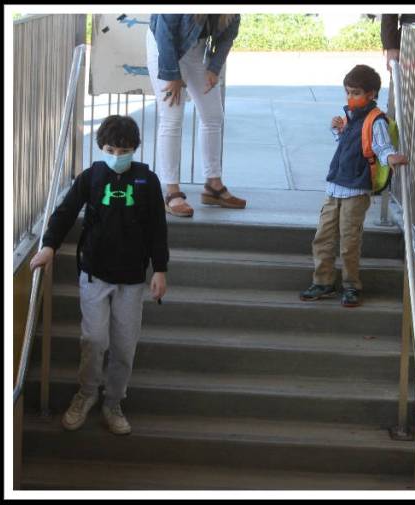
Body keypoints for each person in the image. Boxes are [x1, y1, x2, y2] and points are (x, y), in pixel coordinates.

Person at [29, 115, 169, 435]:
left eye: (123, 149)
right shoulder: (91, 177)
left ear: (134, 149)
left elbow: (157, 231)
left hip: (133, 280)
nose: (117, 154)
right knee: (94, 339)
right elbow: (64, 213)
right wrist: (49, 246)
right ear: (101, 148)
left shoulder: (147, 181)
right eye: (110, 148)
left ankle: (113, 402)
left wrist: (159, 269)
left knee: (123, 346)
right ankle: (87, 393)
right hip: (95, 275)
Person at [300, 65, 409, 307]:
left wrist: (391, 158)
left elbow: (381, 147)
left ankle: (351, 285)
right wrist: (339, 131)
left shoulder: (375, 120)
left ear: (371, 94)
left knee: (349, 241)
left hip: (356, 190)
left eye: (356, 93)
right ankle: (323, 281)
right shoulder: (351, 117)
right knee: (323, 237)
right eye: (347, 92)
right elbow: (348, 147)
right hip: (335, 187)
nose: (350, 97)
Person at [147, 14, 245, 217]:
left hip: (196, 50)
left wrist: (213, 68)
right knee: (172, 118)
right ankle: (172, 192)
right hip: (163, 48)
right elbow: (164, 32)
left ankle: (213, 186)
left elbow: (228, 36)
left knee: (213, 115)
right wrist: (172, 74)